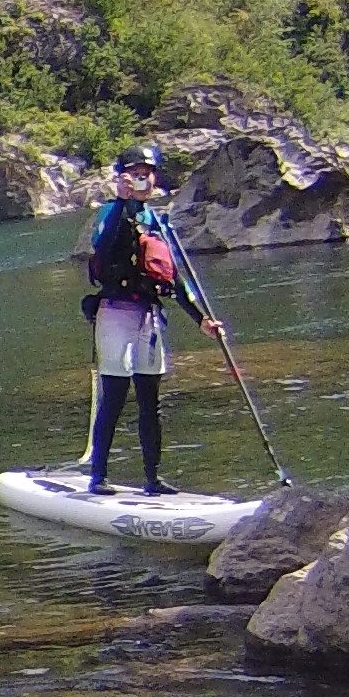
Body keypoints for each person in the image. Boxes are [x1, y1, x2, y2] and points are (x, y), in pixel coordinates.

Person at [79, 147, 224, 493]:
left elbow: (175, 278)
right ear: (123, 177)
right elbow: (103, 247)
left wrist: (201, 319)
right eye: (136, 172)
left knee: (150, 401)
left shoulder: (159, 222)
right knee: (114, 395)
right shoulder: (110, 214)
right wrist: (121, 200)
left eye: (148, 171)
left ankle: (152, 478)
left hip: (149, 317)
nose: (144, 177)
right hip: (115, 313)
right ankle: (98, 476)